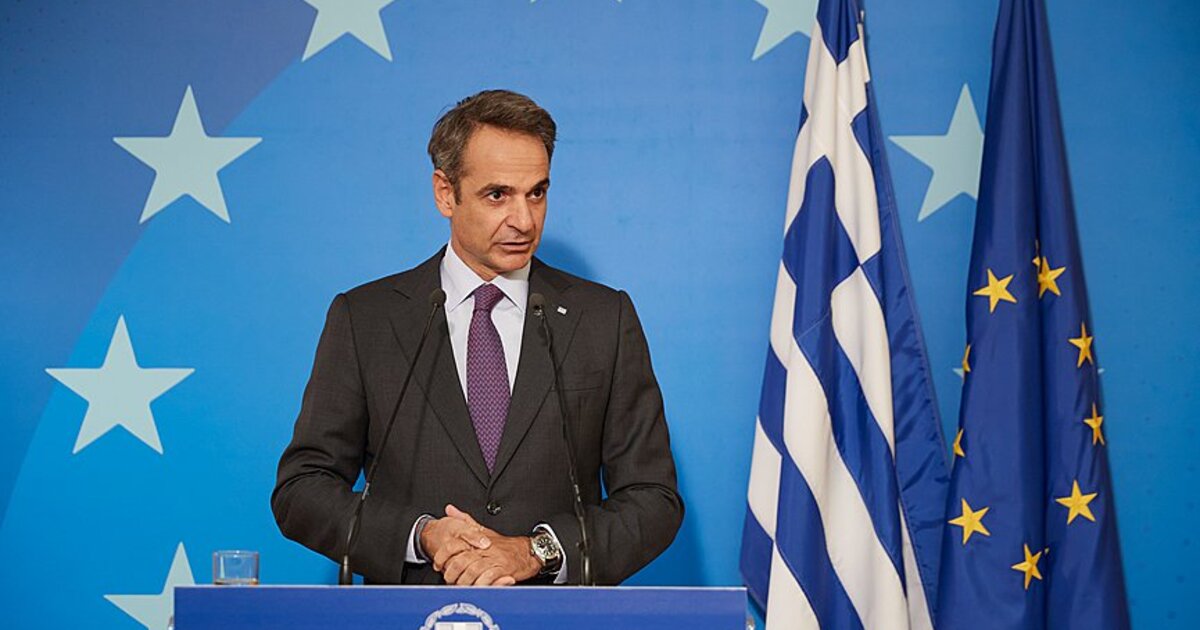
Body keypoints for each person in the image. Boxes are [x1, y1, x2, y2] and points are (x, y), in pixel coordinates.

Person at [271, 89, 683, 586]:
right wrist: (421, 535)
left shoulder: (602, 319)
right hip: (413, 614)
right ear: (445, 193)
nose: (524, 220)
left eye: (537, 193)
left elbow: (653, 498)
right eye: (497, 195)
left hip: (554, 617)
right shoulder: (367, 320)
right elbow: (303, 489)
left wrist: (539, 550)